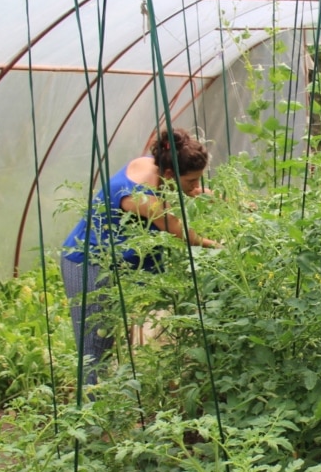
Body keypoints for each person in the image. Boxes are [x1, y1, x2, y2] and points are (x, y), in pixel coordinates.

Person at [61, 127, 219, 385]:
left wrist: (217, 197)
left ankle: (106, 405)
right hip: (89, 262)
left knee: (108, 338)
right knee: (94, 345)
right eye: (192, 180)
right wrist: (220, 244)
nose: (196, 186)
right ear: (170, 173)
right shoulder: (139, 199)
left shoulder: (151, 164)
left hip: (118, 260)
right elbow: (179, 231)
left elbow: (182, 189)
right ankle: (90, 417)